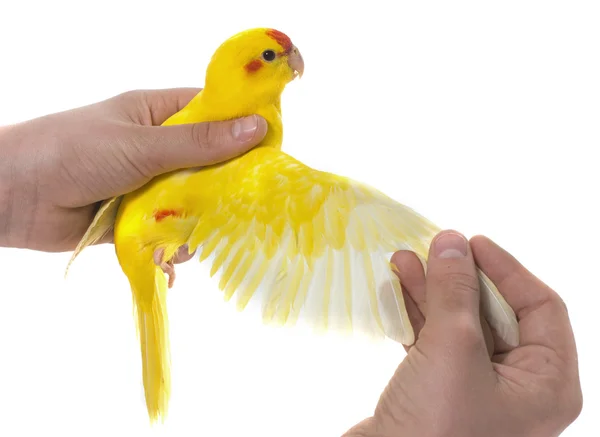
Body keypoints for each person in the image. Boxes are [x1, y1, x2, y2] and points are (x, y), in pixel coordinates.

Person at [0, 89, 582, 436]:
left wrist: (20, 183)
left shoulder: (213, 138)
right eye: (273, 57)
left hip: (140, 233)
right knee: (347, 204)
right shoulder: (261, 171)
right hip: (143, 236)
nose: (291, 65)